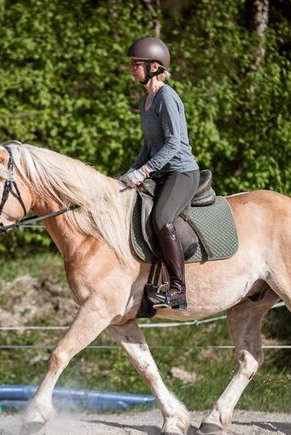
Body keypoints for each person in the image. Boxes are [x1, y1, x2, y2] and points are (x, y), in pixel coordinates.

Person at [120, 36, 200, 311]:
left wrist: (145, 170)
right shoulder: (146, 100)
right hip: (161, 172)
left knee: (161, 217)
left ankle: (178, 290)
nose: (132, 68)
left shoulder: (167, 96)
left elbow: (173, 143)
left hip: (181, 172)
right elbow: (149, 145)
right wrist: (130, 172)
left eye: (136, 64)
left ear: (154, 66)